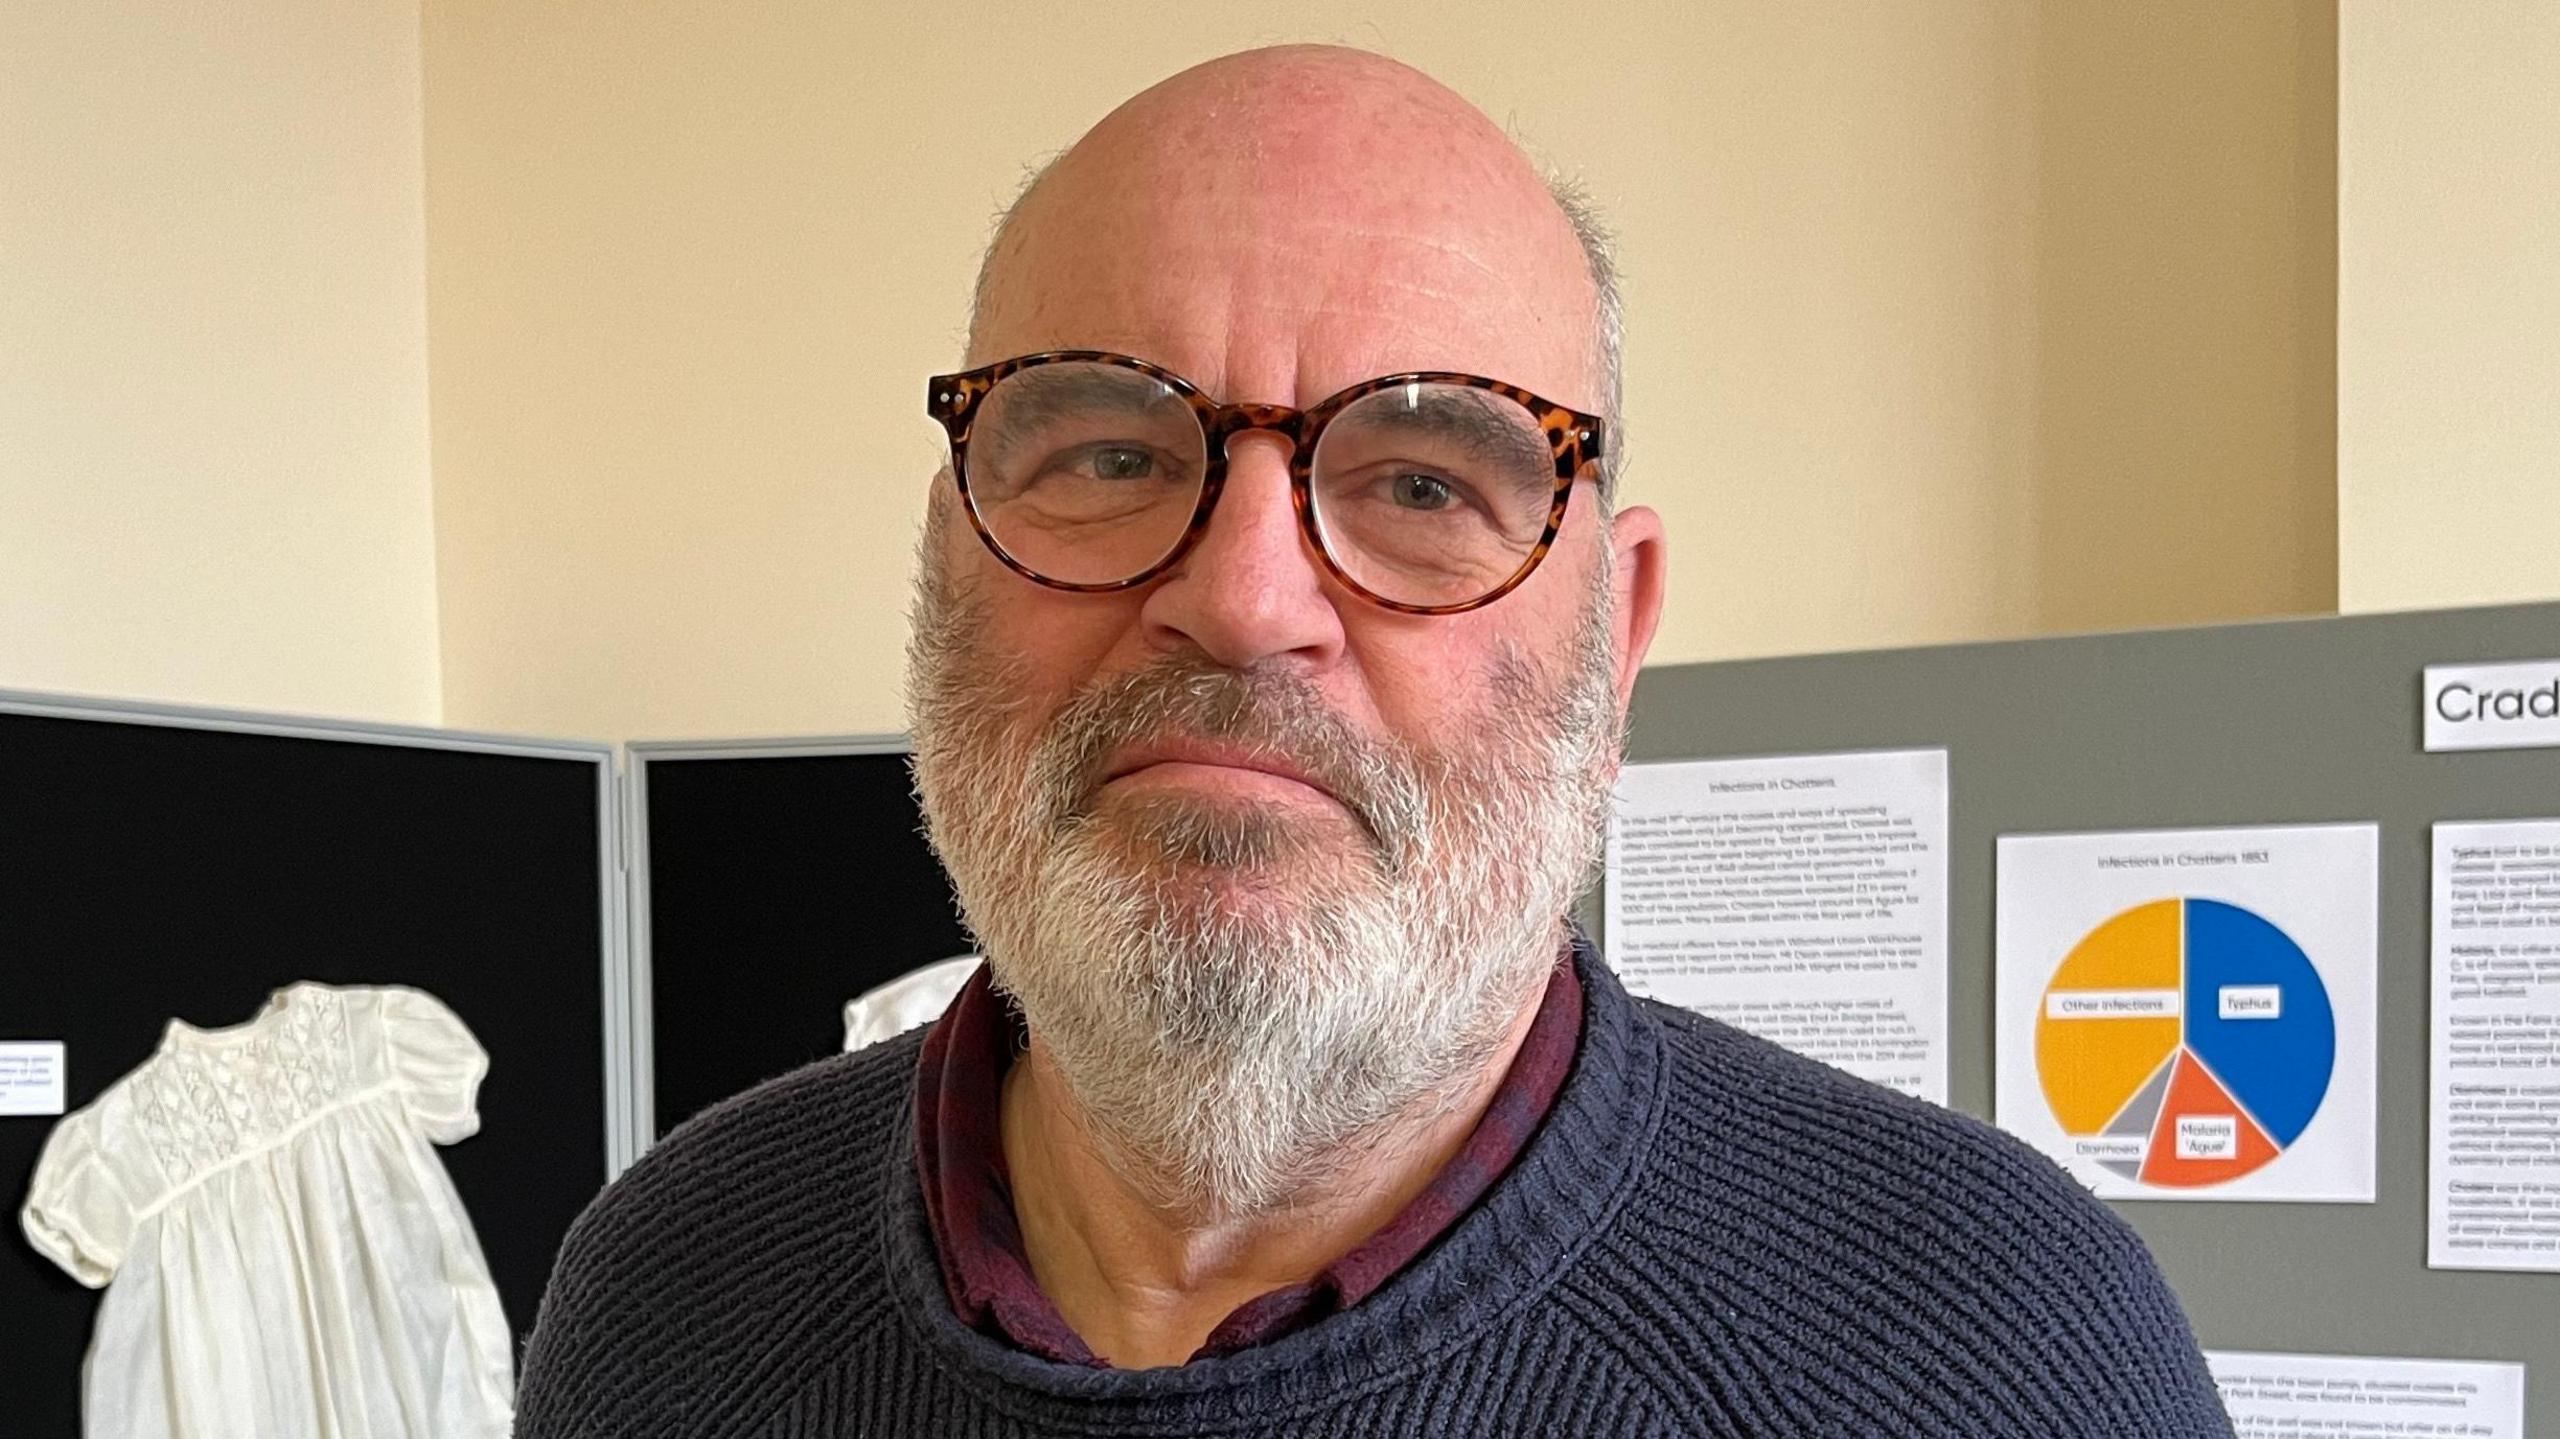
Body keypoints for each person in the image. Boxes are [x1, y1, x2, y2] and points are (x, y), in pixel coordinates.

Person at [515, 44, 2233, 1437]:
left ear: (1614, 635)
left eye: (1426, 484)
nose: (1246, 599)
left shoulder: (1993, 1359)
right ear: (951, 550)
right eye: (1112, 454)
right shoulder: (664, 1296)